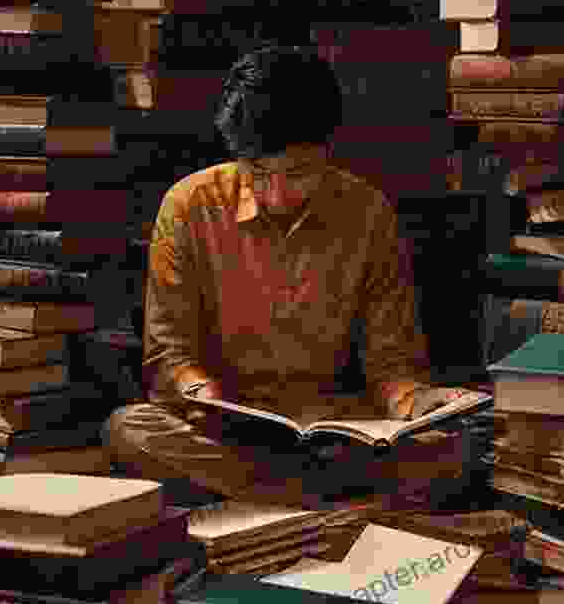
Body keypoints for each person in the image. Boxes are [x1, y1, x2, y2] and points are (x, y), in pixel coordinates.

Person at [103, 45, 463, 498]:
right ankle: (319, 496)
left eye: (297, 174)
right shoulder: (188, 206)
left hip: (333, 426)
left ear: (328, 151)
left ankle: (280, 493)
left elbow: (391, 361)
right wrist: (199, 390)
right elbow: (168, 355)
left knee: (449, 448)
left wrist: (414, 400)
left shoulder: (368, 212)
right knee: (129, 428)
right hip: (223, 431)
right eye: (256, 172)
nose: (276, 195)